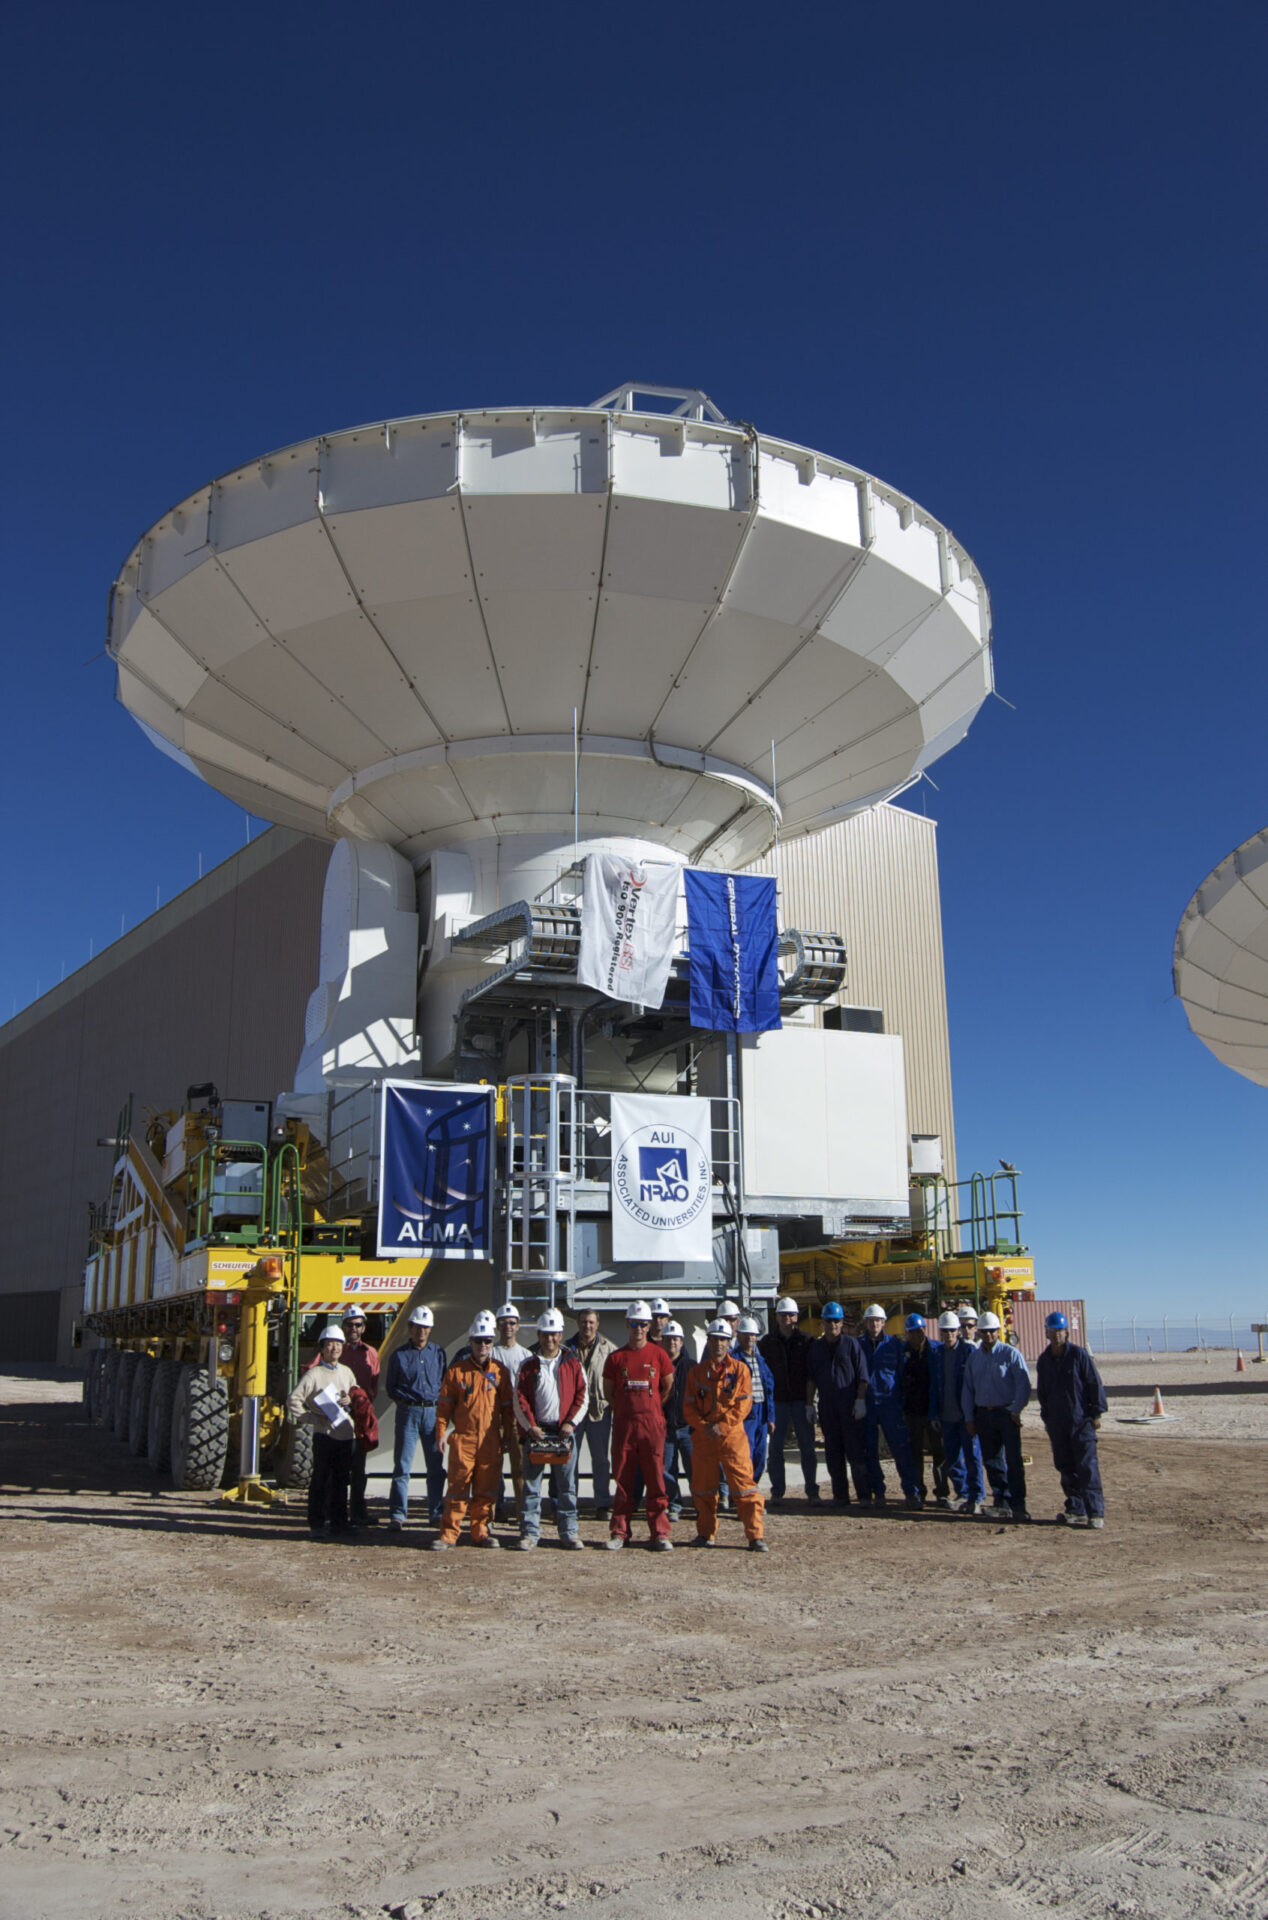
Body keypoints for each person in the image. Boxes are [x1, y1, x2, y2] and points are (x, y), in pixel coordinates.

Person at [432, 1311, 514, 1549]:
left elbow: (507, 1409)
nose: (483, 1345)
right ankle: (449, 1534)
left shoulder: (500, 1371)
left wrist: (507, 1437)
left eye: (487, 1341)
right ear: (470, 1343)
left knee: (486, 1490)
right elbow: (443, 1409)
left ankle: (481, 1532)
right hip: (463, 1440)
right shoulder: (457, 1371)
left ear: (492, 1342)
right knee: (457, 1488)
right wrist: (440, 1435)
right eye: (478, 1341)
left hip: (490, 1441)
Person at [685, 1319, 768, 1552]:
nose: (718, 1344)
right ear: (708, 1341)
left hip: (732, 1438)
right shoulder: (696, 1373)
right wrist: (704, 1427)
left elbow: (744, 1405)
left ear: (729, 1342)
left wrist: (722, 1426)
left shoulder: (740, 1370)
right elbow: (689, 1407)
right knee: (703, 1489)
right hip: (704, 1438)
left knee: (744, 1487)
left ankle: (755, 1536)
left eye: (723, 1340)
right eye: (714, 1339)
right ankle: (705, 1533)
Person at [602, 1300, 675, 1550]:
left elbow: (667, 1387)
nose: (639, 1329)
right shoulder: (615, 1357)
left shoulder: (659, 1354)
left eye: (643, 1324)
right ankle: (620, 1532)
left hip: (652, 1426)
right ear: (627, 1324)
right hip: (624, 1425)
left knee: (656, 1478)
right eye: (634, 1324)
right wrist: (626, 1410)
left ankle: (660, 1533)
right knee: (623, 1479)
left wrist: (650, 1409)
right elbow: (609, 1393)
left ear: (648, 1326)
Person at [300, 1305, 381, 1526]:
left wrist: (362, 1406)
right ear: (343, 1327)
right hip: (333, 1420)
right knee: (330, 1473)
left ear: (364, 1327)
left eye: (358, 1325)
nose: (353, 1329)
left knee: (357, 1470)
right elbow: (311, 1371)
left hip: (358, 1418)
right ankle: (328, 1514)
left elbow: (373, 1384)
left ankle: (357, 1513)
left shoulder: (371, 1354)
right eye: (349, 1325)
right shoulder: (333, 1348)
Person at [515, 1307, 588, 1549]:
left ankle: (569, 1532)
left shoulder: (572, 1363)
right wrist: (530, 1426)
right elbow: (520, 1399)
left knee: (567, 1488)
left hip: (563, 1432)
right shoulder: (528, 1365)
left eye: (554, 1334)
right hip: (536, 1433)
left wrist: (571, 1422)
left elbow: (582, 1395)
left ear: (560, 1334)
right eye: (545, 1334)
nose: (550, 1339)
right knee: (532, 1487)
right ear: (539, 1335)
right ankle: (530, 1533)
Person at [1036, 1312, 1107, 1529]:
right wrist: (1047, 1419)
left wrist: (1096, 1413)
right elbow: (1043, 1393)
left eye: (1060, 1330)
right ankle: (1075, 1509)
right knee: (1065, 1467)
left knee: (1087, 1467)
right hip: (1058, 1423)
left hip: (1081, 1422)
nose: (1057, 1334)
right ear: (1046, 1332)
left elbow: (1094, 1383)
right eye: (1053, 1330)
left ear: (1066, 1332)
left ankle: (1095, 1512)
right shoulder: (1044, 1360)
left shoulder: (1078, 1355)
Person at [287, 1324, 358, 1538]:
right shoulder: (314, 1375)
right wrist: (312, 1418)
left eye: (338, 1344)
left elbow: (357, 1396)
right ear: (322, 1348)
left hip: (345, 1436)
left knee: (341, 1480)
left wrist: (350, 1400)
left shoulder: (347, 1372)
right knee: (320, 1479)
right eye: (330, 1344)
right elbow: (293, 1400)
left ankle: (339, 1522)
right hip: (325, 1436)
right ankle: (317, 1523)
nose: (334, 1348)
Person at [962, 1311, 1031, 1521]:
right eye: (985, 1332)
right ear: (980, 1333)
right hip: (984, 1415)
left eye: (992, 1331)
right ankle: (1001, 1502)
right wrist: (970, 1418)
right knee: (992, 1461)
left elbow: (1024, 1385)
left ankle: (1018, 1505)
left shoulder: (1011, 1354)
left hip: (1006, 1414)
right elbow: (968, 1390)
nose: (989, 1335)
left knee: (1013, 1461)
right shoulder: (974, 1358)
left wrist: (1016, 1410)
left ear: (998, 1332)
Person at [385, 1305, 447, 1531]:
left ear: (430, 1330)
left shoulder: (438, 1354)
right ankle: (397, 1514)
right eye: (417, 1327)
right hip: (407, 1412)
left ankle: (436, 1512)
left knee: (436, 1466)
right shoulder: (399, 1356)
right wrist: (406, 1403)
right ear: (410, 1328)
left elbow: (443, 1383)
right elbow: (391, 1387)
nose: (421, 1331)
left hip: (432, 1412)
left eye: (425, 1328)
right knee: (402, 1465)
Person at [805, 1302, 870, 1505]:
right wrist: (809, 1404)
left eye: (836, 1321)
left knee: (856, 1453)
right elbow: (811, 1379)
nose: (832, 1324)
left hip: (849, 1407)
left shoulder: (851, 1345)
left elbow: (863, 1376)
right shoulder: (816, 1348)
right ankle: (840, 1496)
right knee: (833, 1454)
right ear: (822, 1323)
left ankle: (864, 1495)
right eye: (829, 1321)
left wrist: (860, 1400)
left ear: (842, 1323)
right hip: (828, 1408)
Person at [859, 1304, 923, 1508]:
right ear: (865, 1322)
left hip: (890, 1404)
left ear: (884, 1322)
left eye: (877, 1320)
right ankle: (877, 1492)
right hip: (868, 1405)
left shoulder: (894, 1345)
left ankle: (911, 1493)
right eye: (870, 1320)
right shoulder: (858, 1345)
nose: (874, 1324)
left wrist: (901, 1402)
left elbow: (903, 1375)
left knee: (901, 1449)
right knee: (870, 1451)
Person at [760, 1295, 819, 1505]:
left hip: (801, 1401)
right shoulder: (766, 1344)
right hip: (778, 1403)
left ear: (796, 1316)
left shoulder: (807, 1341)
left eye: (791, 1314)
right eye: (784, 1315)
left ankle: (812, 1491)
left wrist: (811, 1403)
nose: (788, 1319)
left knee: (807, 1447)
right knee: (775, 1448)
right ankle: (777, 1492)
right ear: (776, 1317)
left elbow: (813, 1373)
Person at [928, 1309, 984, 1513]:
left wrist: (975, 1413)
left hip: (966, 1416)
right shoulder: (938, 1354)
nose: (949, 1334)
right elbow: (934, 1386)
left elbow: (975, 1385)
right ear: (940, 1332)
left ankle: (977, 1496)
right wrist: (934, 1413)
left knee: (972, 1457)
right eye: (945, 1331)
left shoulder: (968, 1353)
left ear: (958, 1331)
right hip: (947, 1417)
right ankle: (963, 1493)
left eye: (952, 1330)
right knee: (952, 1458)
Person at [568, 1308, 615, 1519]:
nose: (587, 1326)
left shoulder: (609, 1350)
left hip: (599, 1411)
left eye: (591, 1322)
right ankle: (569, 1503)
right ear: (578, 1324)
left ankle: (603, 1503)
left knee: (601, 1459)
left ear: (597, 1324)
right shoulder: (567, 1349)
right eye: (584, 1322)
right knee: (570, 1459)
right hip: (573, 1413)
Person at [899, 1313, 948, 1508]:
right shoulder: (902, 1352)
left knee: (939, 1453)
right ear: (907, 1333)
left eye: (919, 1332)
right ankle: (918, 1491)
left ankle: (942, 1492)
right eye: (912, 1333)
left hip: (932, 1410)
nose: (915, 1336)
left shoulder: (935, 1350)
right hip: (912, 1411)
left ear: (924, 1331)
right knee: (914, 1454)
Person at [492, 1303, 528, 1522]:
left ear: (518, 1326)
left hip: (516, 1419)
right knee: (492, 1467)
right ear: (497, 1326)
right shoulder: (491, 1353)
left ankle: (521, 1512)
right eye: (504, 1323)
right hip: (494, 1418)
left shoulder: (525, 1355)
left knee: (520, 1468)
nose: (508, 1327)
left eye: (512, 1323)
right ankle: (495, 1510)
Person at [735, 1316, 776, 1483]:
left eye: (753, 1335)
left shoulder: (760, 1361)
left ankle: (752, 1487)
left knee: (760, 1455)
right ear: (738, 1336)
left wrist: (771, 1417)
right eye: (746, 1335)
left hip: (762, 1413)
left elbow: (769, 1390)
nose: (750, 1338)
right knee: (745, 1454)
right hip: (745, 1414)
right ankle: (742, 1491)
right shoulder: (734, 1360)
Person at [661, 1319, 694, 1519]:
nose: (672, 1343)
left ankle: (700, 1503)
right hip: (665, 1427)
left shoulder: (691, 1366)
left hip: (688, 1427)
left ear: (681, 1342)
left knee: (694, 1469)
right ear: (662, 1342)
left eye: (675, 1339)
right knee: (667, 1469)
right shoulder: (657, 1364)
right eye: (668, 1339)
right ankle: (674, 1504)